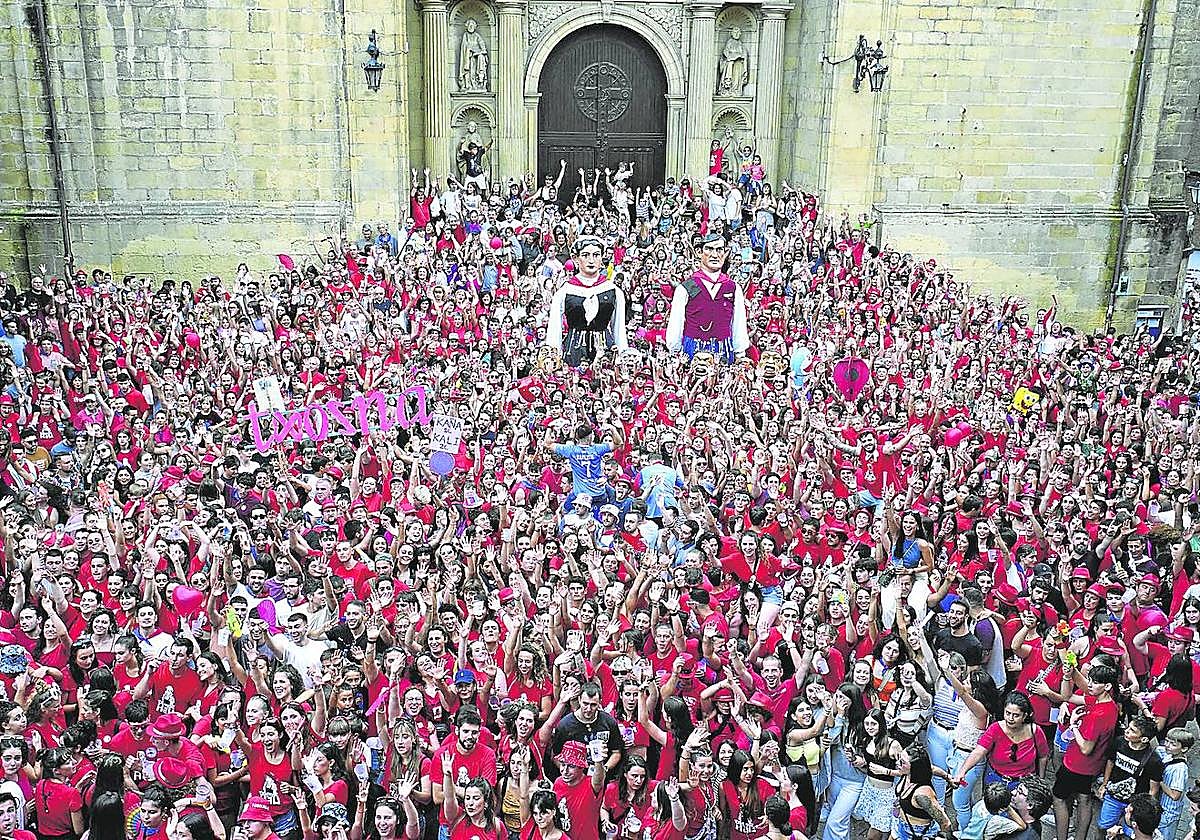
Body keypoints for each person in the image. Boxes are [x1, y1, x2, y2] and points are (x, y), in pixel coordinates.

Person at [665, 234, 749, 363]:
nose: (714, 255)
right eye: (709, 249)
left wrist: (740, 353)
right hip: (692, 351)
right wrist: (674, 352)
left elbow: (738, 323)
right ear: (699, 252)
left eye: (719, 250)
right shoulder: (687, 286)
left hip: (723, 351)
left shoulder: (732, 287)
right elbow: (676, 322)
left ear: (726, 253)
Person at [545, 237, 628, 367]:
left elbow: (618, 328)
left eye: (596, 255)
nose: (591, 260)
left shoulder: (613, 290)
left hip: (605, 350)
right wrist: (552, 357)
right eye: (585, 255)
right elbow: (555, 329)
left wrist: (623, 357)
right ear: (575, 258)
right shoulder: (565, 291)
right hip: (573, 349)